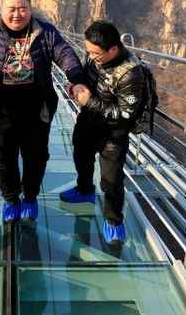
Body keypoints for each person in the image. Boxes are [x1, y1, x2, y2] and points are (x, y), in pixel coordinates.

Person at [0, 0, 86, 222]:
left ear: (30, 9)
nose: (17, 14)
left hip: (37, 107)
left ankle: (30, 197)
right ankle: (10, 199)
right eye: (12, 9)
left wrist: (77, 79)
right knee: (3, 158)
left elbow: (64, 54)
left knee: (36, 156)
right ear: (1, 10)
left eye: (23, 9)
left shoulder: (45, 31)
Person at [60, 20, 148, 245]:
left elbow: (125, 114)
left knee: (111, 179)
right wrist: (75, 87)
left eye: (95, 53)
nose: (90, 56)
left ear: (113, 50)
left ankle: (114, 221)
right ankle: (84, 190)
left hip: (112, 134)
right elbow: (87, 78)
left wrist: (89, 102)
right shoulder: (95, 56)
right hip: (88, 122)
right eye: (88, 51)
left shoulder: (131, 73)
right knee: (81, 156)